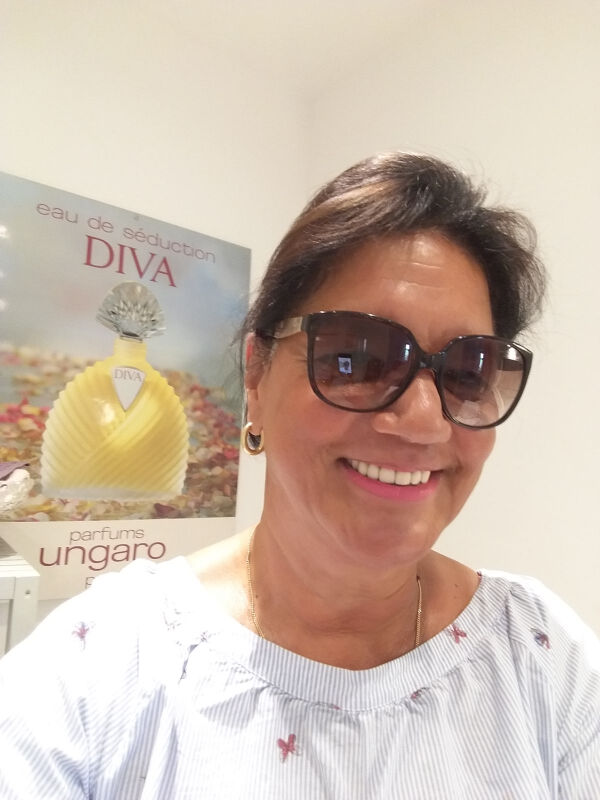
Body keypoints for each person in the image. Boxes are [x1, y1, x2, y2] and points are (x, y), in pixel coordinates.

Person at [0, 153, 598, 799]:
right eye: (356, 358)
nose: (425, 421)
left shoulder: (539, 654)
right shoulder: (98, 667)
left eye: (468, 372)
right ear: (256, 376)